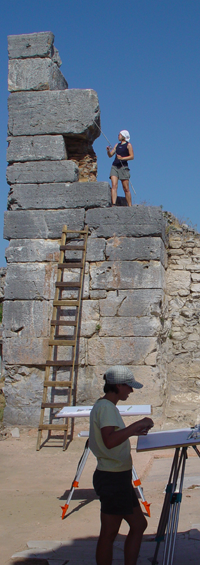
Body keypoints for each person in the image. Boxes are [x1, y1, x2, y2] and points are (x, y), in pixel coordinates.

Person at [89, 365, 154, 565]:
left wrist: (131, 432)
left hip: (113, 476)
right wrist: (135, 426)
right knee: (118, 531)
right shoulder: (107, 408)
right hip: (113, 478)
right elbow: (109, 441)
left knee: (129, 527)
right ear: (118, 385)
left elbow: (110, 437)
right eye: (128, 387)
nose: (131, 391)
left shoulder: (103, 406)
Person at [106, 130, 134, 207]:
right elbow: (110, 155)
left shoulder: (128, 145)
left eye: (120, 135)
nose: (118, 136)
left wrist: (122, 158)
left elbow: (132, 156)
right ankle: (114, 204)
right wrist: (108, 151)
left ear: (124, 136)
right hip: (115, 166)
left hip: (123, 167)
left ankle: (130, 205)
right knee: (114, 185)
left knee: (126, 188)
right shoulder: (117, 145)